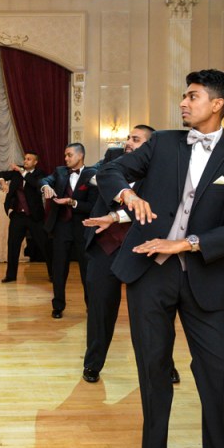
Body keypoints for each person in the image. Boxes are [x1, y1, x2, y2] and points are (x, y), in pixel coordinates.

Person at [98, 69, 224, 448]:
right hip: (149, 273)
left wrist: (186, 244)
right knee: (153, 367)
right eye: (184, 96)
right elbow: (111, 170)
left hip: (204, 275)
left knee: (222, 371)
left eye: (192, 96)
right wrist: (127, 195)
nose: (183, 103)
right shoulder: (164, 143)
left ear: (217, 104)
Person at [81, 126, 180, 385]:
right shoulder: (114, 158)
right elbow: (92, 174)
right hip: (105, 248)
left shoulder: (163, 170)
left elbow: (157, 207)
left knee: (157, 313)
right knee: (100, 311)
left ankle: (165, 364)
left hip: (144, 249)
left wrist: (116, 216)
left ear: (150, 147)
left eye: (135, 139)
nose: (127, 143)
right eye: (128, 138)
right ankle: (92, 363)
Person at [39, 143, 98, 319]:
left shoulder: (92, 174)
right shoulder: (60, 171)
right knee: (59, 269)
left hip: (83, 228)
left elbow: (92, 206)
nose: (66, 158)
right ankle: (58, 306)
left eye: (69, 155)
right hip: (61, 228)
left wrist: (72, 202)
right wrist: (45, 187)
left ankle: (91, 307)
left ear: (80, 156)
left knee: (86, 270)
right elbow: (44, 180)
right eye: (65, 155)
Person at [0, 152, 51, 283]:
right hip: (17, 216)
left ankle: (53, 274)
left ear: (35, 162)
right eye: (25, 159)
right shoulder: (16, 173)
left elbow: (36, 184)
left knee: (45, 245)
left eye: (29, 159)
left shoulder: (40, 174)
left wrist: (22, 172)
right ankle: (10, 275)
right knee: (13, 245)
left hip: (34, 216)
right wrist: (3, 182)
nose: (25, 161)